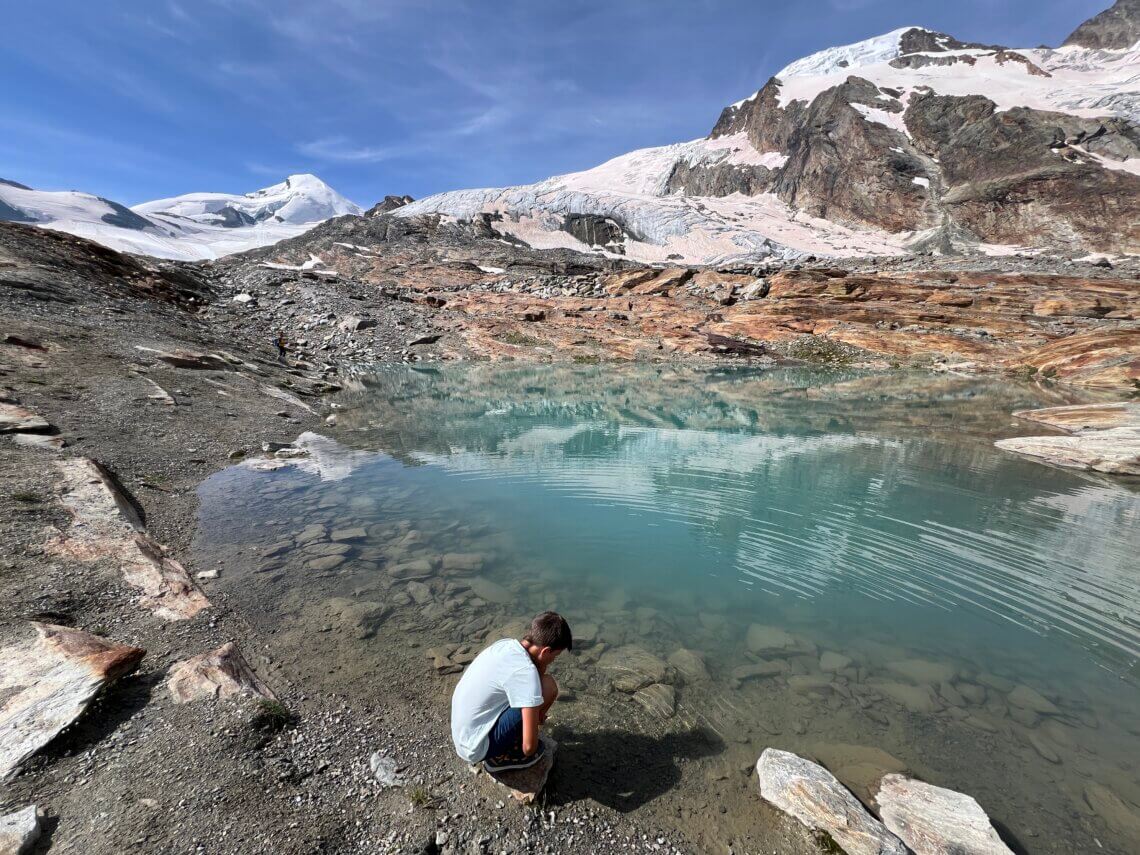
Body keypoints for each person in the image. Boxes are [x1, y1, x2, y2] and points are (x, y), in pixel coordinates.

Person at [450, 611, 571, 772]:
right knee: (548, 687)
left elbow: (532, 674)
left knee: (539, 688)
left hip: (463, 735)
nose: (554, 660)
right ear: (545, 651)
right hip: (476, 748)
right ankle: (504, 758)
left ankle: (512, 735)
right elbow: (529, 747)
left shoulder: (505, 645)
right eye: (555, 656)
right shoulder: (526, 673)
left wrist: (541, 664)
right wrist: (532, 740)